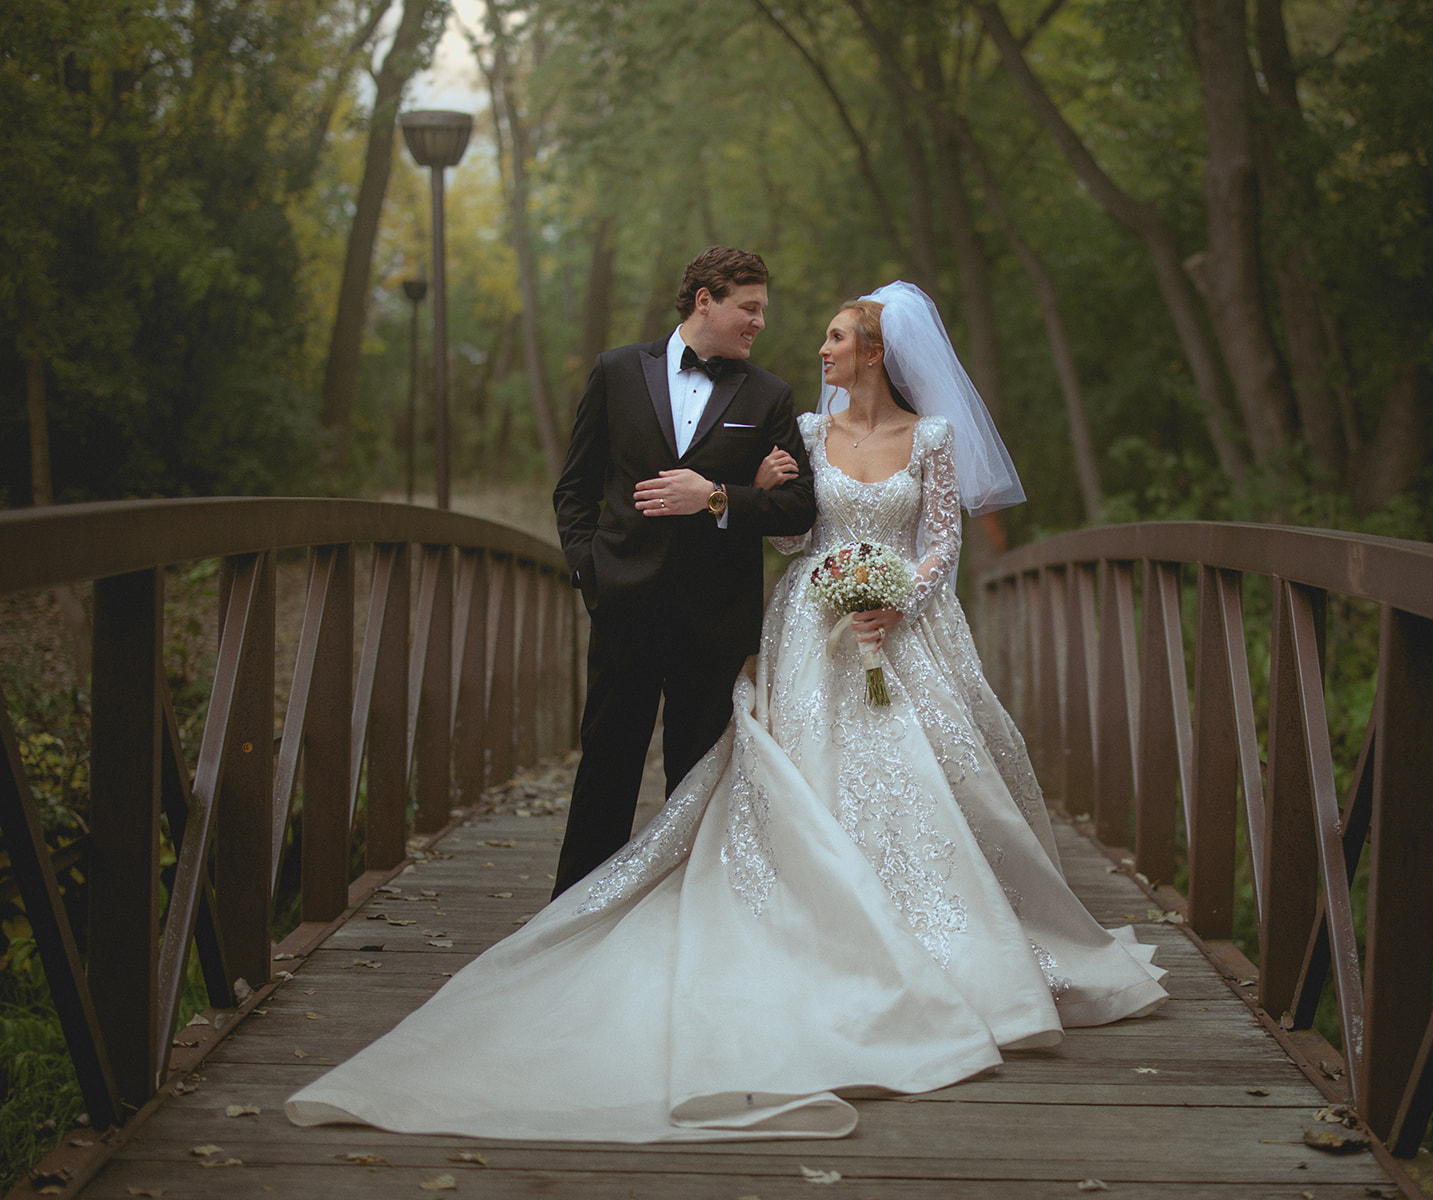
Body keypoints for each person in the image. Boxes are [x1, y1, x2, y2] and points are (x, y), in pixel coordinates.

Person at [285, 281, 1167, 1143]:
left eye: (831, 336)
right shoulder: (803, 427)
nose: (811, 346)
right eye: (771, 318)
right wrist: (749, 490)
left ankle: (928, 932)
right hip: (804, 629)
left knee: (926, 773)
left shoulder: (921, 434)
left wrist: (898, 595)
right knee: (701, 770)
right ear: (706, 299)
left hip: (901, 626)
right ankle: (591, 913)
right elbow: (790, 532)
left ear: (876, 353)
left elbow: (941, 538)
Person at [549, 245, 815, 897]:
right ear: (706, 301)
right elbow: (575, 490)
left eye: (762, 312)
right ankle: (573, 916)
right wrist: (592, 573)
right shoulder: (616, 373)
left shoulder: (770, 394)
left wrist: (720, 495)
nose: (759, 323)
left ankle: (685, 917)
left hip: (715, 620)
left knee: (696, 782)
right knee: (606, 769)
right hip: (625, 609)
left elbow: (799, 507)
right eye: (748, 309)